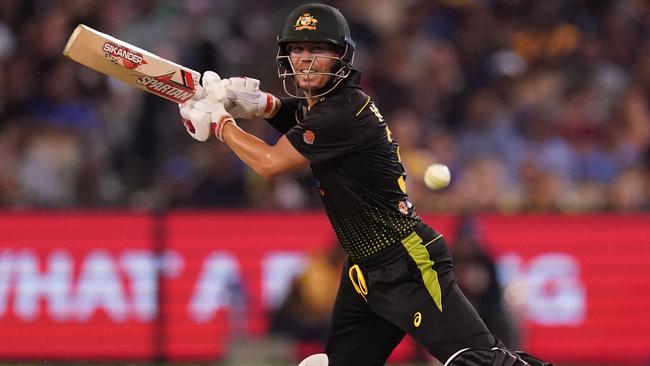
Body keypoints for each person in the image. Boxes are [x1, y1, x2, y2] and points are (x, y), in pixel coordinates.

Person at [178, 3, 552, 366]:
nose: (305, 61)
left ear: (341, 56)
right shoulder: (327, 106)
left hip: (406, 261)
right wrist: (261, 105)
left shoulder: (343, 111)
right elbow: (303, 117)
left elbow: (269, 162)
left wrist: (221, 125)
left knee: (476, 361)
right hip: (364, 270)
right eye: (298, 50)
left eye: (318, 50)